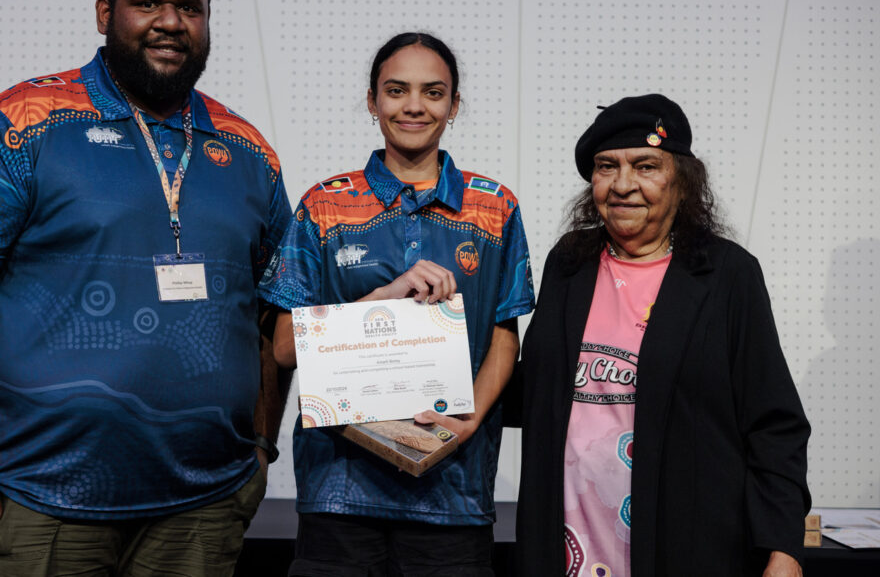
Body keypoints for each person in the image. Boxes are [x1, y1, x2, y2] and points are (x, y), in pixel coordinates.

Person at [0, 0, 291, 575]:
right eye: (148, 3)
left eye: (190, 9)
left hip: (203, 504)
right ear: (103, 12)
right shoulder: (21, 121)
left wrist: (260, 446)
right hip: (42, 499)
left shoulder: (247, 148)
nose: (171, 23)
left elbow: (275, 308)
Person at [258, 32, 535, 575]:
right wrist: (382, 298)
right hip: (340, 489)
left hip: (453, 493)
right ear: (372, 101)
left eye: (433, 92)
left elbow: (505, 332)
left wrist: (469, 421)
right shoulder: (325, 204)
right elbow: (287, 349)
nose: (414, 106)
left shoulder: (494, 208)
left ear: (454, 106)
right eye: (396, 90)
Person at [513, 94, 811, 576]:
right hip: (567, 543)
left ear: (682, 180)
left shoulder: (726, 274)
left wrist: (784, 548)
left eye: (645, 166)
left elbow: (773, 424)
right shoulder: (569, 264)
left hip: (686, 545)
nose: (624, 185)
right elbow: (538, 390)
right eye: (607, 167)